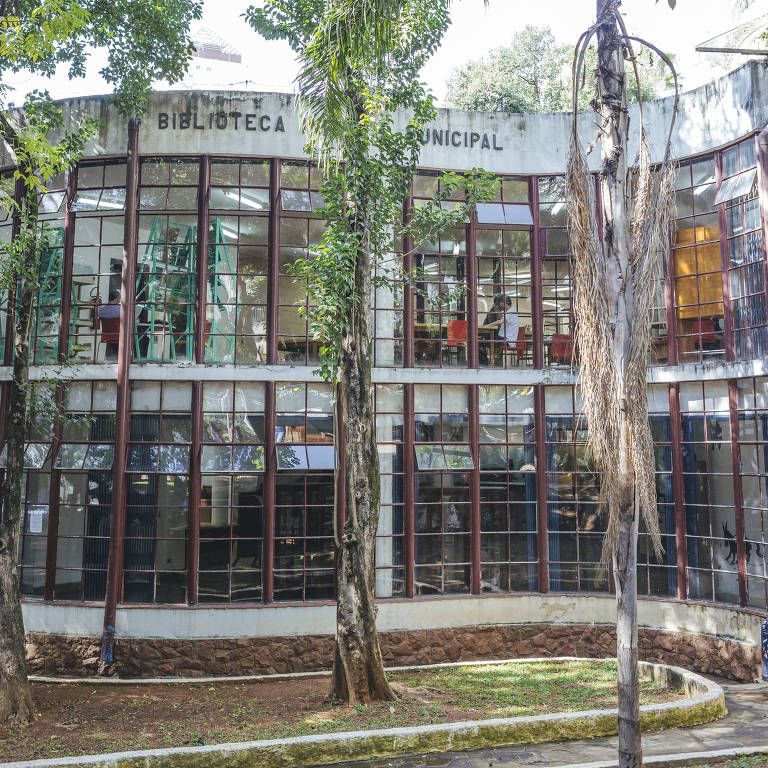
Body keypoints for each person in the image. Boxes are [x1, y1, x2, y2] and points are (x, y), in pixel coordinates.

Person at [97, 289, 121, 360]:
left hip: (106, 337)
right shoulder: (122, 310)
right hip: (119, 337)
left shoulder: (101, 310)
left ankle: (112, 357)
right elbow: (131, 323)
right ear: (117, 299)